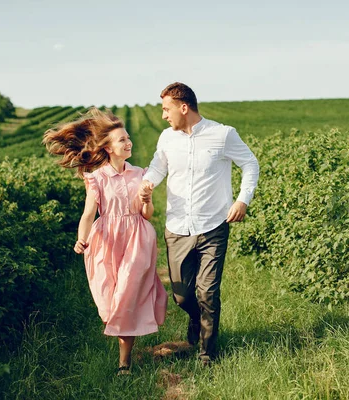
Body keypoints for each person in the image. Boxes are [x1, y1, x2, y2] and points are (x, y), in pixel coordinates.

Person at [139, 82, 259, 365]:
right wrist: (147, 184)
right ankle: (196, 319)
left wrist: (243, 200)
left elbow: (250, 164)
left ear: (184, 107)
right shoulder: (167, 138)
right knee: (183, 297)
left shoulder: (223, 134)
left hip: (213, 226)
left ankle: (207, 353)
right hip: (177, 228)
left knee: (208, 292)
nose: (164, 116)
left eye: (166, 109)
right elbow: (158, 167)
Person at [42, 108, 167, 376]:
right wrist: (81, 239)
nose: (128, 142)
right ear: (108, 148)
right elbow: (88, 214)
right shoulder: (96, 178)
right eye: (122, 140)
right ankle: (124, 350)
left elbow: (147, 215)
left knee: (126, 297)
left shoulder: (140, 175)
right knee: (110, 301)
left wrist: (146, 201)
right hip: (106, 242)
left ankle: (124, 362)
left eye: (128, 137)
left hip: (137, 241)